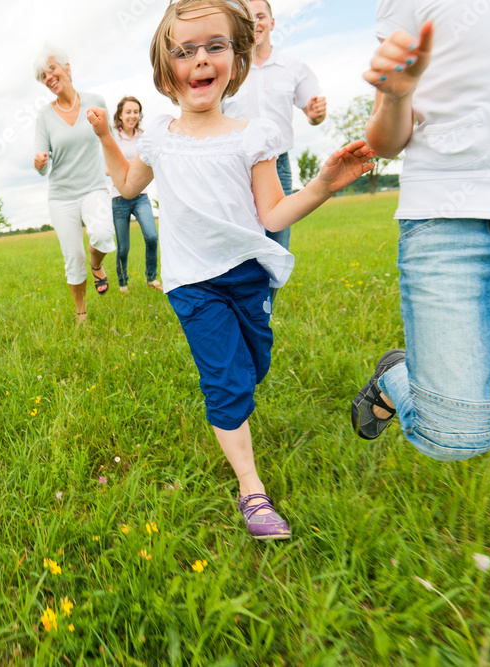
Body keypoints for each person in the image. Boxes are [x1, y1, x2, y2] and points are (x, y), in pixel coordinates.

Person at [88, 0, 373, 540]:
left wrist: (323, 185)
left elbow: (272, 213)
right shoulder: (158, 140)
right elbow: (127, 186)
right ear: (164, 67)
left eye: (214, 46)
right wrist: (107, 137)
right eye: (184, 50)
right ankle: (252, 489)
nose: (200, 60)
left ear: (237, 59)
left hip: (247, 274)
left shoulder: (252, 135)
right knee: (224, 382)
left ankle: (238, 404)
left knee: (252, 369)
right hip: (192, 284)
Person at [353, 1, 490, 633]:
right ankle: (398, 377)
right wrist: (396, 95)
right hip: (452, 215)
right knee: (454, 436)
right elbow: (385, 139)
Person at [221, 0, 325, 299]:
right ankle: (241, 304)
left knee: (277, 244)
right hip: (234, 168)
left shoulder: (293, 67)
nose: (256, 23)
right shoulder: (228, 68)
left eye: (261, 16)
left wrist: (316, 113)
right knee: (240, 243)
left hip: (277, 165)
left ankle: (265, 311)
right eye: (249, 18)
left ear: (273, 22)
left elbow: (313, 114)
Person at [33, 45, 117, 323]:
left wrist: (115, 171)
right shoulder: (44, 116)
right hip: (61, 196)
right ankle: (81, 312)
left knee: (104, 235)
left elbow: (109, 140)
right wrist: (40, 163)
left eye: (52, 70)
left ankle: (97, 265)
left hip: (93, 187)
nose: (49, 78)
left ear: (67, 68)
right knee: (73, 256)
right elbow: (42, 166)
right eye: (43, 76)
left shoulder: (96, 101)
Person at [110, 96, 161, 293]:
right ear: (120, 115)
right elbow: (107, 167)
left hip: (140, 196)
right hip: (118, 198)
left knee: (152, 236)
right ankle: (123, 283)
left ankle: (151, 278)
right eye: (128, 112)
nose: (133, 115)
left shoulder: (144, 136)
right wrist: (127, 167)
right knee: (123, 247)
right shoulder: (113, 136)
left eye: (136, 112)